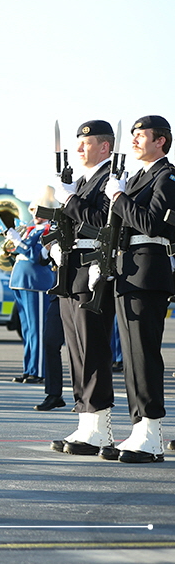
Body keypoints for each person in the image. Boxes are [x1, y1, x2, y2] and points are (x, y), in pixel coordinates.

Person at [98, 115, 175, 463]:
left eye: (140, 135)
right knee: (130, 357)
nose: (133, 139)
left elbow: (153, 223)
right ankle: (139, 428)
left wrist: (118, 197)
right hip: (127, 270)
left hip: (149, 271)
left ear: (160, 141)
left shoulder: (167, 176)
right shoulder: (139, 177)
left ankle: (152, 434)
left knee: (144, 355)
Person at [49, 120, 116, 458]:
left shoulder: (112, 179)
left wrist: (71, 199)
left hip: (93, 270)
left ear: (104, 147)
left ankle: (101, 427)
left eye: (86, 143)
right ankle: (86, 420)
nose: (79, 149)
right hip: (71, 270)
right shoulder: (84, 180)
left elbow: (103, 218)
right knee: (75, 350)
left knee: (93, 349)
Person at [6, 187, 64, 408]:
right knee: (28, 330)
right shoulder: (31, 229)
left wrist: (18, 242)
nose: (35, 214)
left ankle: (38, 370)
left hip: (36, 283)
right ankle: (29, 368)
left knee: (39, 330)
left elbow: (34, 255)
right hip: (21, 281)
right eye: (33, 210)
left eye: (39, 210)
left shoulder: (46, 230)